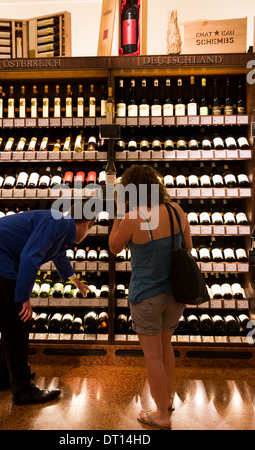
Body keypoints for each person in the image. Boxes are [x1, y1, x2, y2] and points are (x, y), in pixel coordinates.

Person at [0, 202, 94, 405]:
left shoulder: (61, 225)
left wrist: (75, 281)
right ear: (87, 224)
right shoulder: (58, 224)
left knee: (11, 320)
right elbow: (30, 257)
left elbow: (58, 255)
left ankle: (5, 376)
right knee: (19, 320)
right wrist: (24, 297)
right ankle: (23, 389)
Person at [109, 164, 192, 430]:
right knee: (166, 347)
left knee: (153, 356)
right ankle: (165, 402)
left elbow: (114, 247)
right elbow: (188, 248)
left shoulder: (133, 217)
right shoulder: (176, 210)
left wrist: (118, 213)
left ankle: (161, 416)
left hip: (146, 295)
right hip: (175, 294)